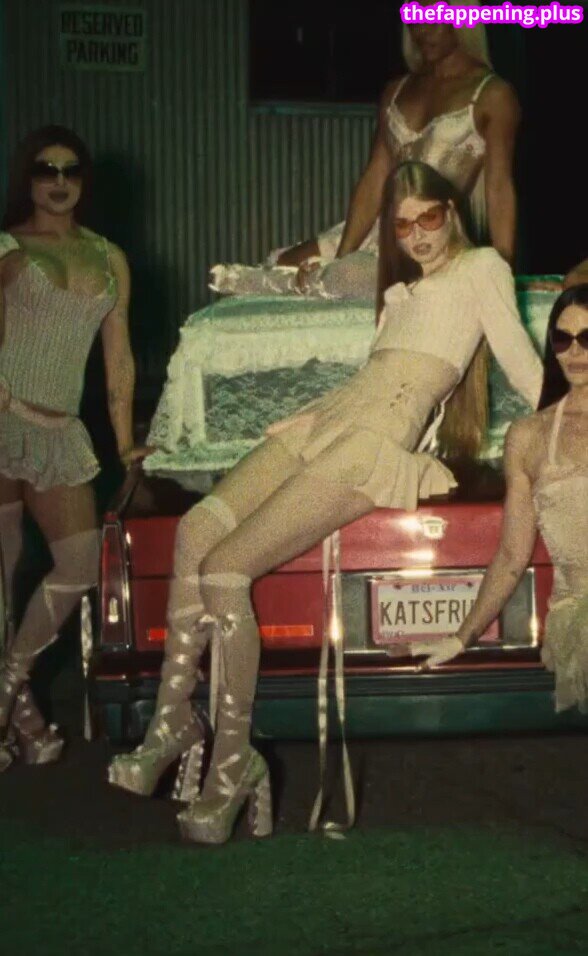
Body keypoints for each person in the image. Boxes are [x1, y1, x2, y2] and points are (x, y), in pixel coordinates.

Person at [108, 162, 542, 844]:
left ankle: (233, 763)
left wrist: (571, 425)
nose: (418, 235)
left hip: (372, 441)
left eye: (429, 218)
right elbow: (315, 286)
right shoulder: (398, 290)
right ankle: (172, 723)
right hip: (330, 417)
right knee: (195, 530)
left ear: (453, 212)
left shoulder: (481, 267)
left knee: (225, 569)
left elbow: (521, 360)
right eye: (404, 225)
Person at [213, 4, 520, 301]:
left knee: (345, 278)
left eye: (432, 18)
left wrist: (502, 270)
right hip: (380, 230)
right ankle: (311, 277)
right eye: (414, 19)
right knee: (285, 263)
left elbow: (498, 188)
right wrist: (343, 254)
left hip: (425, 238)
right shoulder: (397, 90)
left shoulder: (493, 95)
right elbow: (374, 179)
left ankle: (263, 280)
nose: (421, 30)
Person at [0, 126, 139, 771]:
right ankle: (24, 719)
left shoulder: (109, 258)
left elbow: (120, 361)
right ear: (26, 178)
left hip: (58, 431)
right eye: (44, 169)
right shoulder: (7, 248)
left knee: (82, 563)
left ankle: (7, 689)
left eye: (70, 170)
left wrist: (127, 444)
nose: (58, 182)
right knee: (1, 586)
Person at [411, 284, 588, 715]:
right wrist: (462, 637)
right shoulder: (528, 436)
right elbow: (511, 555)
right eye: (562, 339)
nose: (574, 351)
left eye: (587, 338)